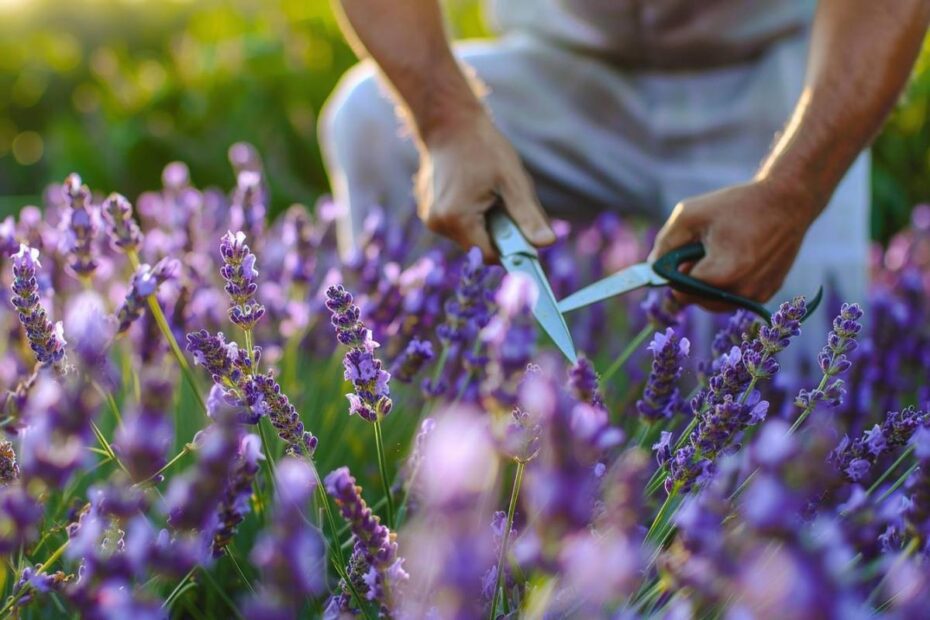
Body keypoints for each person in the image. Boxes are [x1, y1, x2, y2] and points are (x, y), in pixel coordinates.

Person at [319, 0, 930, 317]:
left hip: (768, 88)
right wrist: (448, 122)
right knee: (371, 121)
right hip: (565, 69)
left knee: (805, 417)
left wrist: (794, 191)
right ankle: (401, 450)